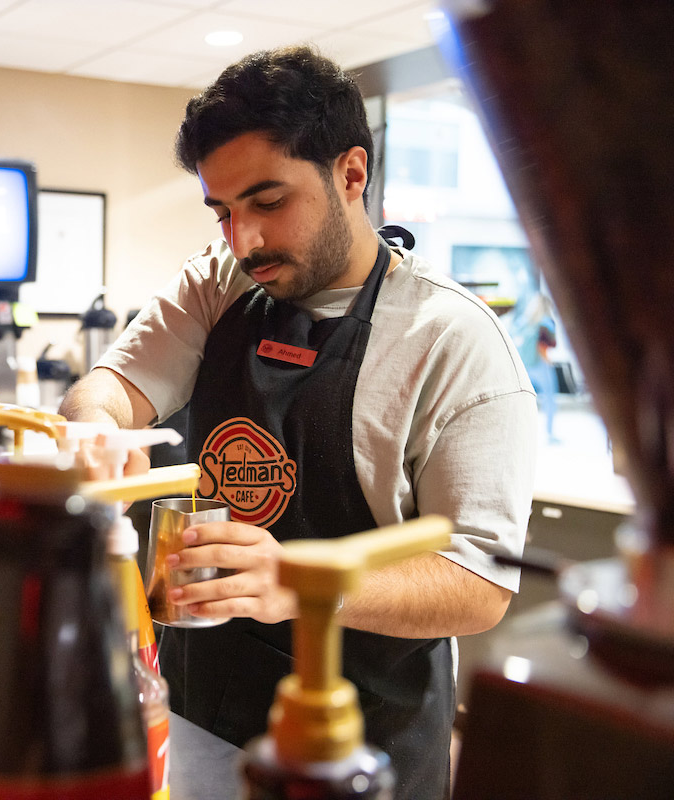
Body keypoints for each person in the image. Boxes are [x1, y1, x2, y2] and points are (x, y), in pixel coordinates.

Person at [58, 46, 536, 798]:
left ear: (351, 173)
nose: (242, 240)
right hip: (199, 707)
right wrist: (93, 429)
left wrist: (302, 584)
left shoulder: (450, 340)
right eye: (223, 212)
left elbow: (480, 583)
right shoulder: (218, 283)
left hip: (359, 745)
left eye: (268, 201)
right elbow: (112, 386)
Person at [512, 292, 560, 442]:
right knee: (550, 398)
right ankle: (550, 433)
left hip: (525, 366)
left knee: (524, 398)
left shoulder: (525, 321)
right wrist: (548, 361)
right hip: (540, 365)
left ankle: (520, 433)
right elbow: (547, 345)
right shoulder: (547, 323)